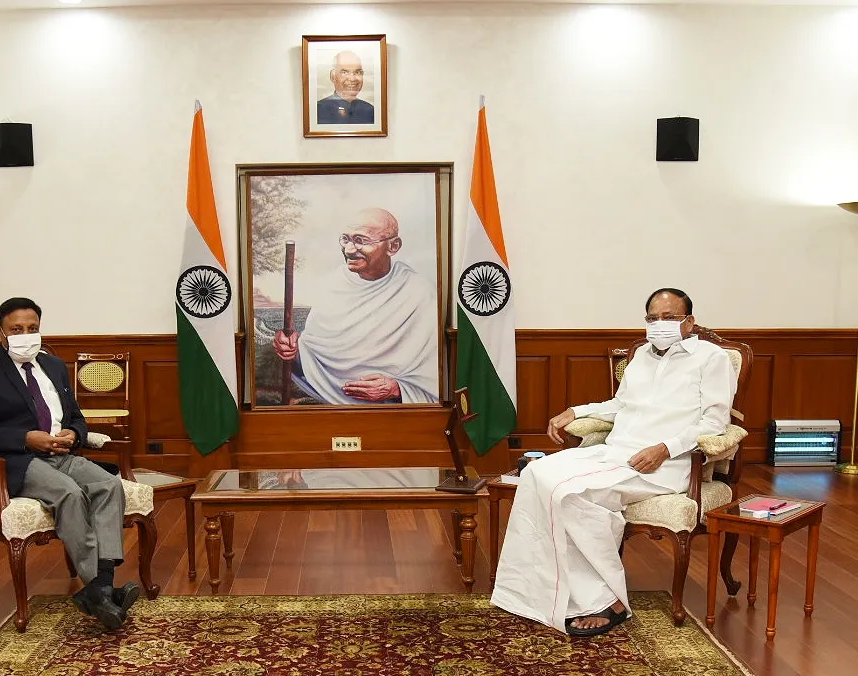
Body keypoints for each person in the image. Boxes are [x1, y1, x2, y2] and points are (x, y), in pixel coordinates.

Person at [491, 288, 736, 637]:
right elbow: (620, 405)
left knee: (571, 494)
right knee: (537, 473)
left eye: (669, 317)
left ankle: (609, 600)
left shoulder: (712, 358)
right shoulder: (642, 355)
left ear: (689, 322)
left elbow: (715, 422)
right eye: (653, 318)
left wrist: (665, 448)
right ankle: (531, 591)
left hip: (662, 464)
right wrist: (577, 411)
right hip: (615, 452)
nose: (660, 324)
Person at [0, 297, 138, 631]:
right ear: (0, 332)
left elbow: (77, 418)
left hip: (60, 454)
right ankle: (99, 589)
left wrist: (74, 433)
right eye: (16, 329)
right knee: (69, 493)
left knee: (108, 484)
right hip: (14, 461)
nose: (25, 335)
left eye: (32, 328)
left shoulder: (52, 365)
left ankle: (100, 589)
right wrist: (26, 438)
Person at [272, 208, 438, 404]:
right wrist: (291, 348)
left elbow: (434, 368)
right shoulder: (334, 283)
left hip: (391, 408)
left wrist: (396, 388)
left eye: (360, 241)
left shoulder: (419, 291)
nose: (349, 250)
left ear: (393, 246)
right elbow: (314, 352)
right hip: (325, 395)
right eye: (345, 239)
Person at [316, 50, 375, 124]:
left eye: (357, 72)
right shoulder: (318, 110)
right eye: (344, 72)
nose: (352, 79)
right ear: (333, 77)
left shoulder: (370, 111)